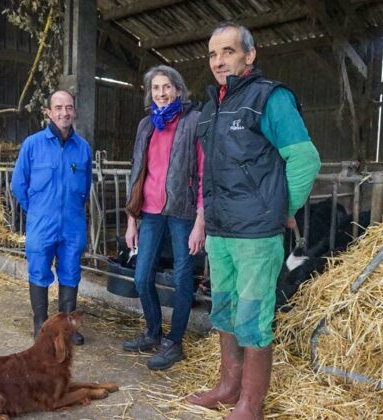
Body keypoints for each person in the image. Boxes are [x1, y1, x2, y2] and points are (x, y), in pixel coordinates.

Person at [185, 23, 321, 419]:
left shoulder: (270, 99)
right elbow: (209, 172)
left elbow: (305, 159)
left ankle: (251, 403)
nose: (219, 60)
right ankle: (228, 387)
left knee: (253, 316)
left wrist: (281, 211)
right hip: (221, 231)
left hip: (257, 233)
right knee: (224, 310)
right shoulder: (213, 109)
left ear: (250, 55)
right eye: (213, 54)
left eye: (228, 51)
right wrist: (203, 220)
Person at [122, 65, 205, 371]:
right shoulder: (146, 125)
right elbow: (136, 172)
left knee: (183, 277)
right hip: (150, 213)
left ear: (179, 90)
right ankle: (153, 332)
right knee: (142, 277)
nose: (161, 93)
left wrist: (200, 221)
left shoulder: (193, 121)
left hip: (182, 213)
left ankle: (175, 341)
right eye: (155, 88)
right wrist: (132, 219)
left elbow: (203, 173)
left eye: (166, 87)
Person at [11, 90, 92, 346]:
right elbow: (18, 184)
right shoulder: (32, 145)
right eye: (58, 108)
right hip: (41, 223)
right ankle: (42, 327)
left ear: (74, 111)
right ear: (48, 112)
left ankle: (66, 328)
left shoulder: (83, 148)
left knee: (70, 273)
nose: (64, 113)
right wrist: (35, 210)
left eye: (68, 108)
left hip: (72, 223)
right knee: (38, 271)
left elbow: (85, 185)